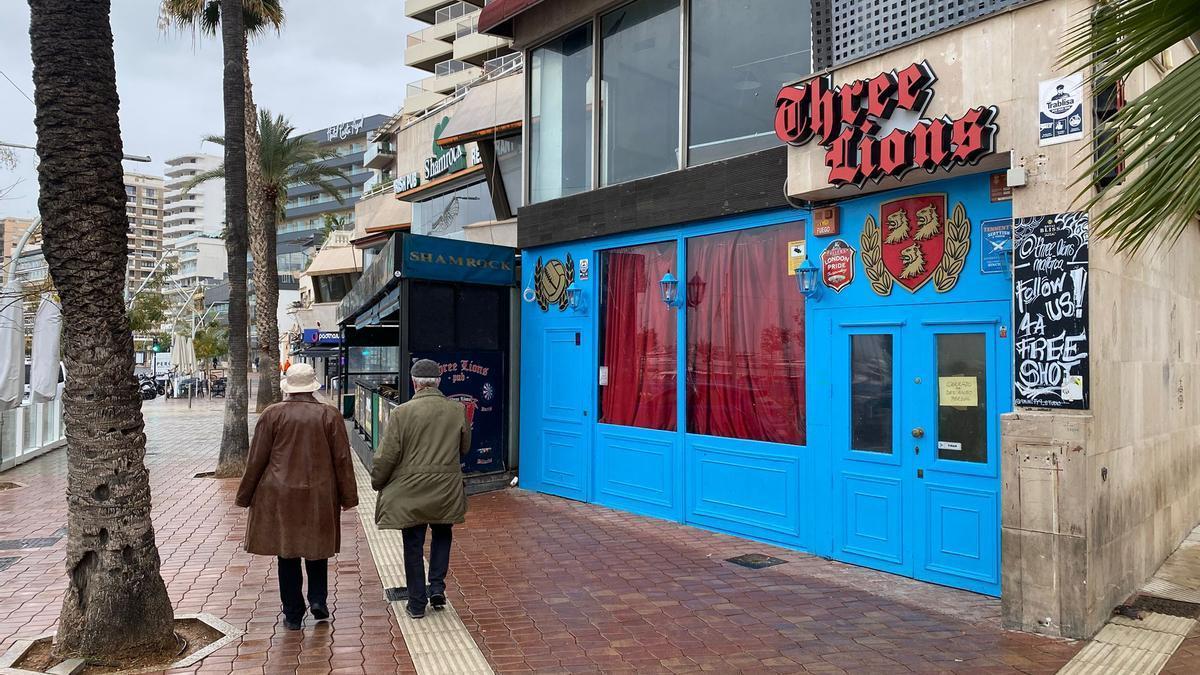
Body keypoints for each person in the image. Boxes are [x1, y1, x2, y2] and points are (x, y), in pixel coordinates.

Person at [235, 363, 358, 630]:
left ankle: (292, 613)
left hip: (280, 495)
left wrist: (244, 496)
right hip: (320, 492)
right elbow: (342, 459)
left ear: (288, 388)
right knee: (317, 549)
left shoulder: (272, 415)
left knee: (287, 553)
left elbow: (256, 459)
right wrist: (349, 497)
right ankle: (318, 600)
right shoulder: (330, 415)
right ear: (313, 386)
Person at [371, 359, 470, 619]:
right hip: (445, 487)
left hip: (411, 491)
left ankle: (416, 603)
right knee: (442, 533)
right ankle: (436, 587)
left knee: (413, 544)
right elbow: (465, 447)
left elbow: (387, 456)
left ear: (415, 383)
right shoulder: (457, 410)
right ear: (439, 382)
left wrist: (377, 481)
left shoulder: (401, 413)